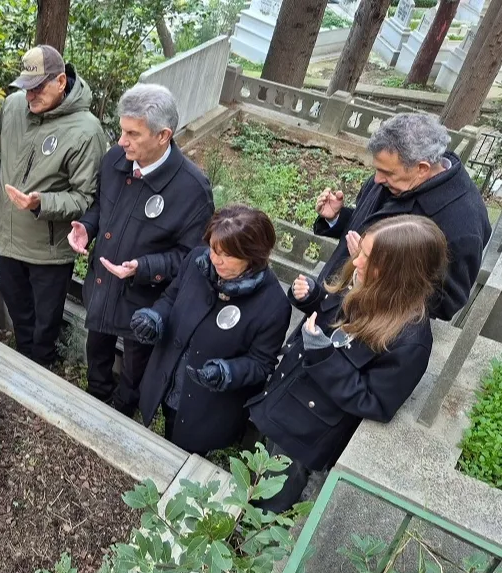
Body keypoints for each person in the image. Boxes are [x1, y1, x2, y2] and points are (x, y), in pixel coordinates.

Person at [248, 215, 448, 513]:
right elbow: (335, 318)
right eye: (361, 251)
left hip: (306, 431)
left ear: (399, 271)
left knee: (271, 496)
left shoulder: (410, 340)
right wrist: (313, 297)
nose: (357, 261)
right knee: (257, 467)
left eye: (369, 257)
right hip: (285, 396)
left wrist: (323, 356)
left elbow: (376, 404)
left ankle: (252, 531)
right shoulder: (370, 284)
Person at [69, 83, 213, 416]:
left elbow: (192, 258)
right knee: (97, 348)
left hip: (144, 300)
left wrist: (144, 267)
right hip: (104, 284)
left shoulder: (192, 190)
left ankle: (122, 415)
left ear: (163, 136)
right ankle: (95, 398)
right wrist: (87, 227)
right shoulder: (116, 159)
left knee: (135, 370)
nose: (122, 141)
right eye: (122, 131)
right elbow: (101, 206)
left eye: (133, 134)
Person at [0, 45, 107, 367]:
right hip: (8, 238)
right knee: (18, 311)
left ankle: (42, 365)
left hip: (49, 251)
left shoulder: (86, 131)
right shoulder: (14, 106)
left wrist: (42, 202)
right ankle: (25, 359)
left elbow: (86, 196)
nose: (29, 96)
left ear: (61, 81)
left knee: (46, 322)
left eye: (37, 88)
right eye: (25, 87)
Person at [131, 205, 291, 454]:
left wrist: (227, 372)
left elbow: (261, 363)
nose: (216, 260)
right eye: (214, 249)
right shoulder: (197, 261)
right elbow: (171, 298)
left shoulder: (273, 305)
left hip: (208, 403)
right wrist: (155, 318)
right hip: (169, 373)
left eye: (227, 255)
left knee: (185, 451)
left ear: (253, 256)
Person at [315, 113, 489, 321]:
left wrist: (378, 270)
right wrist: (337, 218)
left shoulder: (462, 224)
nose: (377, 179)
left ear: (422, 168)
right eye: (377, 170)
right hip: (329, 299)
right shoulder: (395, 176)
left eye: (387, 173)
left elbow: (446, 302)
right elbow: (371, 226)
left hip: (365, 324)